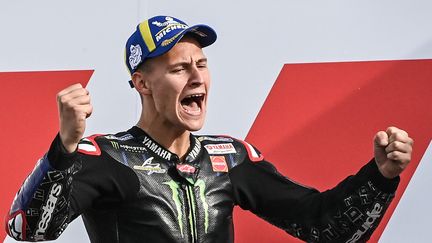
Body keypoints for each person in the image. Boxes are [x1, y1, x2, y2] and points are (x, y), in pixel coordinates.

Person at [5, 15, 413, 243]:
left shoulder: (228, 157)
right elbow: (24, 228)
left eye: (201, 64)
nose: (197, 77)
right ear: (143, 83)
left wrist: (380, 177)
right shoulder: (104, 156)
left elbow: (325, 228)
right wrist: (65, 148)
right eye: (180, 68)